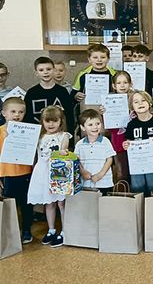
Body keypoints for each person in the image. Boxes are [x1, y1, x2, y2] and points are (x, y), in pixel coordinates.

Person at [27, 106, 71, 247]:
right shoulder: (40, 136)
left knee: (61, 203)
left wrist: (63, 152)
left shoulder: (64, 135)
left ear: (60, 121)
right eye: (47, 121)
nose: (51, 124)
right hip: (42, 171)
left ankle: (65, 230)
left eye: (54, 121)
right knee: (49, 203)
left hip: (58, 172)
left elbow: (64, 148)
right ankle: (51, 229)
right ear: (42, 121)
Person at [0, 97, 33, 243]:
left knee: (26, 204)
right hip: (6, 174)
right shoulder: (0, 132)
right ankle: (10, 234)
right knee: (8, 206)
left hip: (25, 173)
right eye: (13, 111)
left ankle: (26, 230)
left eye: (20, 112)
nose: (17, 115)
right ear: (4, 113)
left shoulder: (28, 131)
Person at [123, 91, 153, 196]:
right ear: (132, 106)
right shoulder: (131, 125)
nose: (140, 104)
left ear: (150, 103)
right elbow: (128, 142)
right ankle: (138, 211)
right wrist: (126, 145)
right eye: (136, 102)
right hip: (136, 163)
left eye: (143, 100)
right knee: (137, 189)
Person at [24, 56, 74, 134]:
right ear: (36, 73)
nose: (45, 72)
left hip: (59, 136)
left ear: (53, 70)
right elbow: (27, 118)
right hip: (38, 135)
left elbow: (69, 116)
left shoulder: (62, 91)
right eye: (41, 70)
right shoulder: (31, 93)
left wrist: (70, 138)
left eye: (48, 69)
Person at [75, 109, 115, 195]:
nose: (95, 127)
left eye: (98, 124)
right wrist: (83, 172)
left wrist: (100, 174)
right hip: (86, 183)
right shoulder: (79, 144)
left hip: (104, 182)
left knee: (104, 205)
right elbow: (76, 160)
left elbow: (109, 159)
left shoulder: (105, 141)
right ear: (82, 127)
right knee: (89, 205)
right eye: (90, 125)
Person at [102, 70, 133, 182]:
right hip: (118, 140)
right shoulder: (109, 101)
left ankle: (137, 196)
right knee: (121, 172)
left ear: (130, 84)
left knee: (135, 170)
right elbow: (108, 126)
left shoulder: (135, 99)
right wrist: (104, 114)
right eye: (119, 83)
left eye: (125, 82)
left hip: (134, 140)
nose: (122, 85)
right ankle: (123, 195)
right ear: (114, 86)